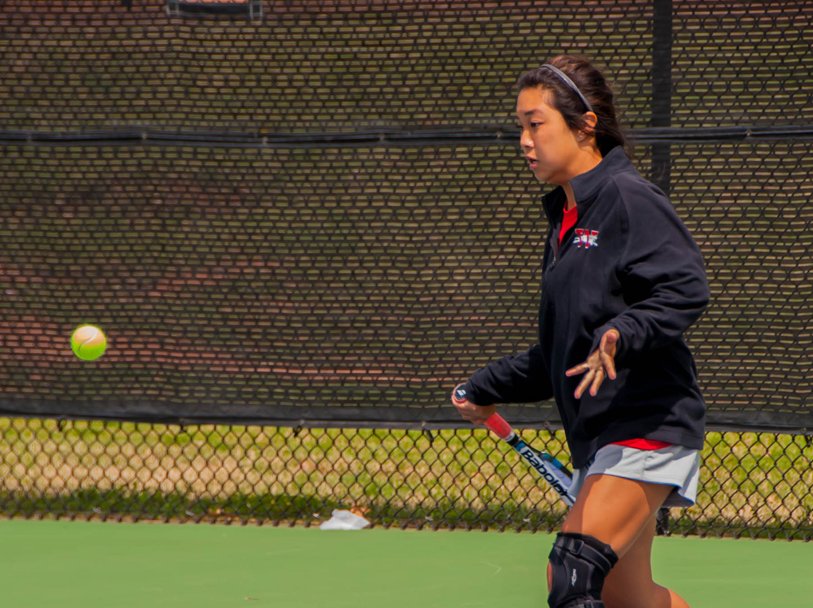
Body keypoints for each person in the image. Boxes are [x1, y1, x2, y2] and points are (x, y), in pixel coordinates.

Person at [451, 55, 709, 608]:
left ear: (585, 124)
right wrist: (484, 386)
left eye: (535, 123)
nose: (524, 140)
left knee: (572, 575)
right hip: (601, 437)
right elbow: (559, 355)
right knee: (631, 598)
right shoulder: (567, 221)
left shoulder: (627, 198)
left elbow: (685, 287)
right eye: (520, 126)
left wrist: (622, 332)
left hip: (648, 420)